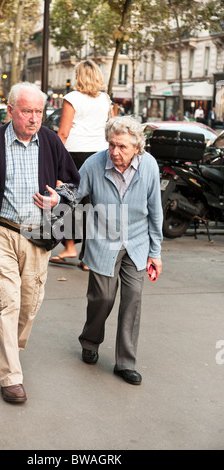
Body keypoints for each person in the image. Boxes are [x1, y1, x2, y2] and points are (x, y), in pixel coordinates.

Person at [0, 82, 80, 404]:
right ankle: (11, 376)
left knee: (29, 305)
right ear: (10, 110)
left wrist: (59, 199)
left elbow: (72, 183)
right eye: (27, 111)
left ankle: (11, 345)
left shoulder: (51, 142)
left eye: (38, 111)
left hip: (38, 237)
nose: (34, 118)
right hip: (0, 233)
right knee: (6, 303)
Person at [76, 116, 163, 386]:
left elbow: (155, 210)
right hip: (103, 241)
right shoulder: (93, 164)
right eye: (112, 145)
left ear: (137, 146)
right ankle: (90, 341)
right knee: (102, 298)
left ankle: (125, 362)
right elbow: (74, 195)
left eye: (123, 147)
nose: (115, 152)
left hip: (137, 243)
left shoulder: (149, 166)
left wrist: (155, 252)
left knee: (133, 300)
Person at [49, 59, 112, 271]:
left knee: (67, 198)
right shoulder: (105, 99)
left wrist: (53, 158)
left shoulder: (72, 98)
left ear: (79, 76)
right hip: (100, 154)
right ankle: (87, 257)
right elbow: (110, 127)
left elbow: (64, 132)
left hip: (75, 154)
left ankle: (69, 247)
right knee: (94, 204)